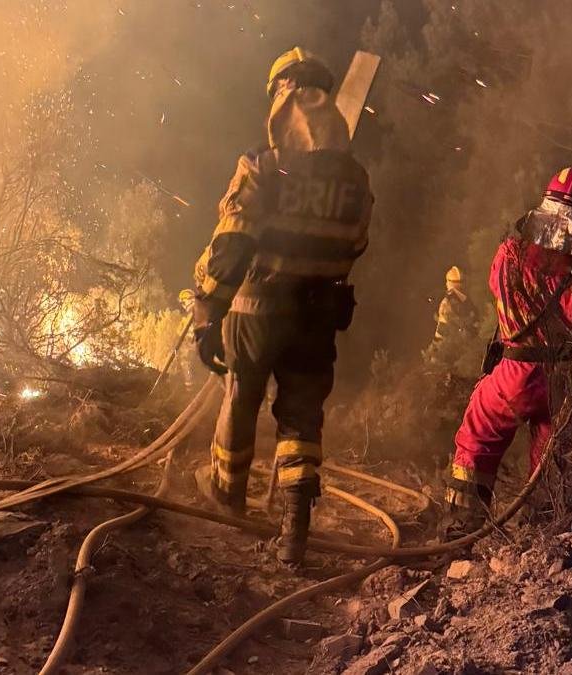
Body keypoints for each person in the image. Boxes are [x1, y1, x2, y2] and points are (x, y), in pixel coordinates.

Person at [190, 47, 374, 566]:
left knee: (241, 394)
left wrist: (208, 311)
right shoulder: (355, 179)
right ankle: (294, 526)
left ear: (280, 95)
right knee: (302, 415)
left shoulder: (262, 166)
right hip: (318, 312)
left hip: (257, 305)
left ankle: (228, 495)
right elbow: (356, 244)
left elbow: (232, 245)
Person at [441, 166, 572, 540]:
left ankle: (460, 531)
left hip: (514, 373)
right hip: (564, 382)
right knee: (551, 462)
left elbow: (496, 287)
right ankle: (543, 535)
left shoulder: (511, 253)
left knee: (476, 438)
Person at [427, 265, 478, 372]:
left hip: (452, 352)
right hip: (469, 351)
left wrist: (433, 357)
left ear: (449, 283)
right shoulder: (467, 302)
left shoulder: (447, 304)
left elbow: (441, 332)